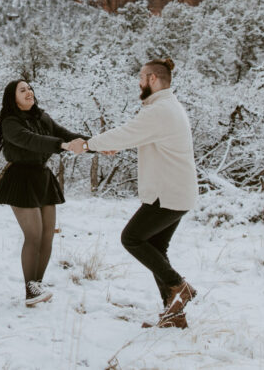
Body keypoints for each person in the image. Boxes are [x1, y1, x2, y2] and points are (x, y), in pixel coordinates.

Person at [69, 58, 198, 329]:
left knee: (132, 239)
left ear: (153, 79)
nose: (138, 83)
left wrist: (89, 145)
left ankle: (178, 286)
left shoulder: (160, 110)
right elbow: (137, 136)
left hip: (168, 193)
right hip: (177, 192)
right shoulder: (166, 107)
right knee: (156, 247)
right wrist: (114, 144)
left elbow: (128, 133)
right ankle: (174, 315)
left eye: (141, 77)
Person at [0, 79, 86, 306]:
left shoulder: (42, 117)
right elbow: (33, 141)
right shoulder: (10, 122)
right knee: (33, 235)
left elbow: (67, 134)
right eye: (22, 90)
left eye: (30, 88)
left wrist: (97, 144)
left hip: (42, 177)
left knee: (47, 235)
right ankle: (30, 289)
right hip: (21, 179)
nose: (28, 92)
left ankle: (37, 285)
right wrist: (62, 145)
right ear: (13, 98)